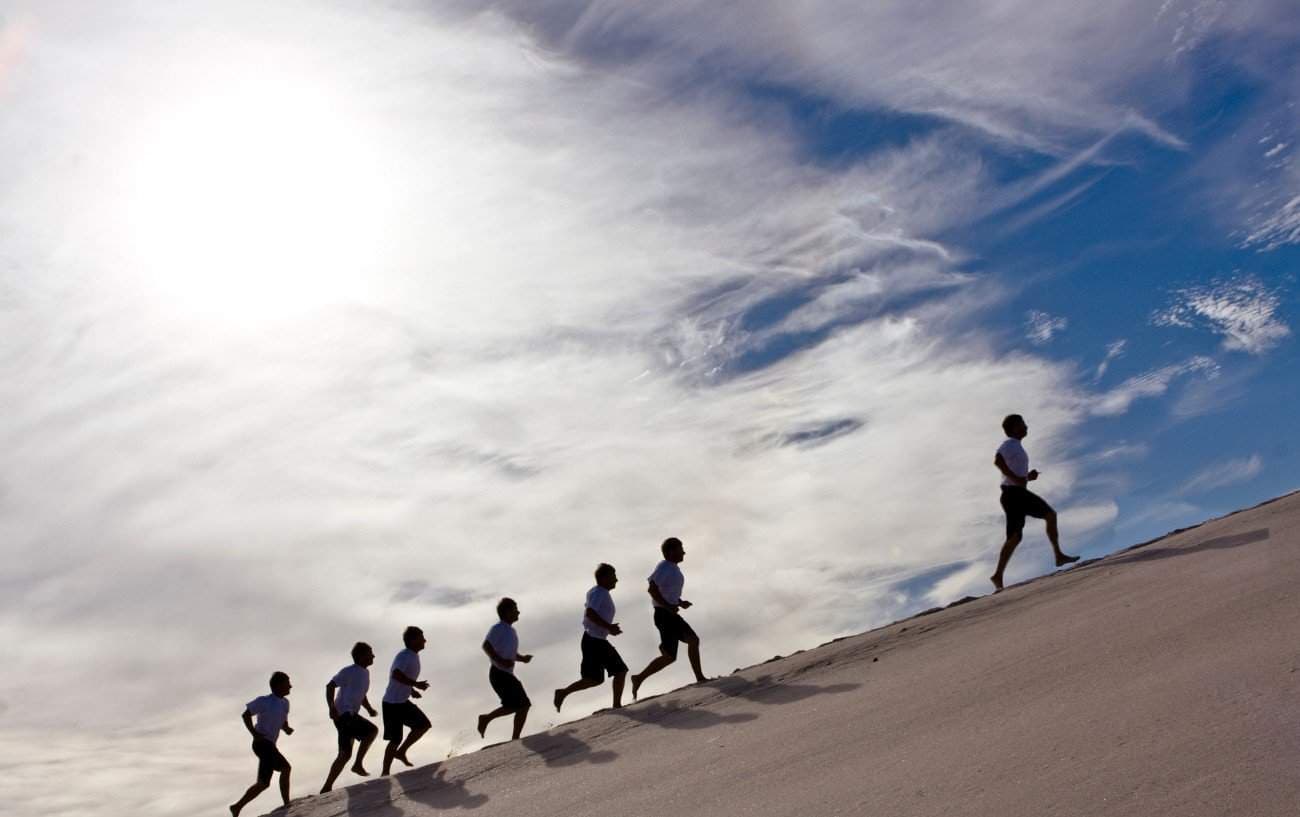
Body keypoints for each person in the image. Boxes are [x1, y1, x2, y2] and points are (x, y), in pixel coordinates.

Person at [991, 413, 1079, 591]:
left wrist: (1027, 477)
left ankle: (998, 575)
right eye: (1022, 424)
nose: (1026, 426)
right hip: (1013, 494)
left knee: (1015, 537)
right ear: (1014, 427)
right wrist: (1017, 478)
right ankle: (1058, 555)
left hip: (1014, 493)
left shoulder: (1017, 447)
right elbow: (998, 461)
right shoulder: (1009, 444)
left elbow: (1015, 476)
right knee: (1050, 515)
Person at [631, 537, 707, 700]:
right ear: (671, 552)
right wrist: (668, 605)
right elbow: (652, 589)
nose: (684, 552)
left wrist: (679, 602)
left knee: (688, 643)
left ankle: (699, 676)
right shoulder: (664, 567)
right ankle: (639, 677)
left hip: (669, 614)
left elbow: (667, 591)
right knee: (673, 654)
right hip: (664, 615)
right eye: (681, 549)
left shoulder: (672, 568)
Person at [554, 563, 628, 712]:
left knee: (595, 679)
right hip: (594, 641)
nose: (616, 580)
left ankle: (563, 692)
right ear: (603, 577)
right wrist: (609, 627)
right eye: (613, 576)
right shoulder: (599, 592)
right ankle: (617, 706)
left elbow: (593, 615)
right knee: (619, 670)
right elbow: (590, 613)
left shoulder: (598, 592)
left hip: (593, 639)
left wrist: (609, 628)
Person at [229, 671, 294, 816]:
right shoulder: (264, 701)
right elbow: (246, 714)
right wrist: (254, 733)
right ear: (278, 685)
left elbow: (282, 721)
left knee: (263, 783)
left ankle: (237, 806)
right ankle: (287, 804)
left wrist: (286, 728)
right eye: (287, 683)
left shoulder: (285, 703)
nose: (290, 686)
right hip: (262, 743)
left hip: (270, 745)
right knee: (286, 768)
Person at [320, 642, 380, 793]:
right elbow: (330, 686)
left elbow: (361, 695)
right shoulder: (349, 671)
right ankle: (358, 764)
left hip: (348, 715)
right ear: (360, 656)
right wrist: (331, 707)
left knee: (345, 754)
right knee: (372, 731)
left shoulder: (365, 673)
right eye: (370, 653)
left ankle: (326, 787)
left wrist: (369, 708)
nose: (373, 656)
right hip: (343, 714)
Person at [477, 597, 532, 740]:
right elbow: (486, 646)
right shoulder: (498, 628)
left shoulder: (511, 631)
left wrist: (522, 658)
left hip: (504, 674)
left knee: (518, 705)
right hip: (499, 674)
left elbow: (509, 653)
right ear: (507, 612)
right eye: (515, 609)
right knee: (523, 705)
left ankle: (487, 719)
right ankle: (514, 738)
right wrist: (500, 661)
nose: (518, 612)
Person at [381, 626, 431, 776]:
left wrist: (411, 691)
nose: (424, 640)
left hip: (401, 701)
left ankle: (401, 752)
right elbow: (396, 674)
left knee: (423, 725)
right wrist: (415, 684)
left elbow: (400, 677)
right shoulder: (405, 656)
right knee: (395, 739)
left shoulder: (412, 655)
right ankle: (385, 773)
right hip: (392, 703)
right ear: (412, 640)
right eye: (421, 637)